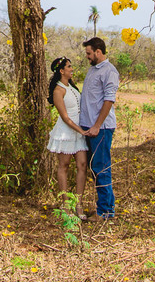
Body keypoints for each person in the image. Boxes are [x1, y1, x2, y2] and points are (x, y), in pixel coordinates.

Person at [79, 36, 119, 219]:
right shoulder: (93, 70)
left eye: (89, 53)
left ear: (98, 51)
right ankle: (104, 207)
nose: (87, 56)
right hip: (88, 127)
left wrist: (97, 126)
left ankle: (105, 211)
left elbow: (109, 100)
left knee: (101, 168)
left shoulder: (109, 71)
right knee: (94, 168)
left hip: (101, 129)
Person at [46, 56, 88, 217]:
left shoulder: (71, 87)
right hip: (67, 131)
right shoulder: (58, 90)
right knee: (64, 166)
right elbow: (65, 117)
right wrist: (80, 130)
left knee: (82, 165)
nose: (72, 69)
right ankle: (66, 205)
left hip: (79, 131)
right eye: (69, 66)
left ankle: (79, 204)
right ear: (61, 71)